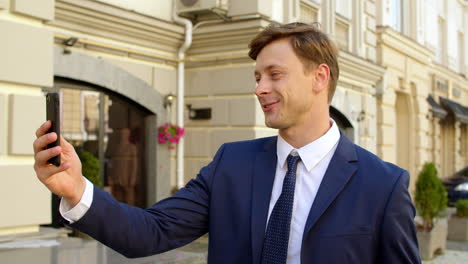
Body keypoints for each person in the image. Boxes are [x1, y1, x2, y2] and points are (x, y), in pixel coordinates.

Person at [33, 23, 421, 264]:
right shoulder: (231, 165)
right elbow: (148, 232)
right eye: (257, 77)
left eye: (274, 74)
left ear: (319, 77)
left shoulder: (382, 185)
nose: (260, 88)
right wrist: (76, 190)